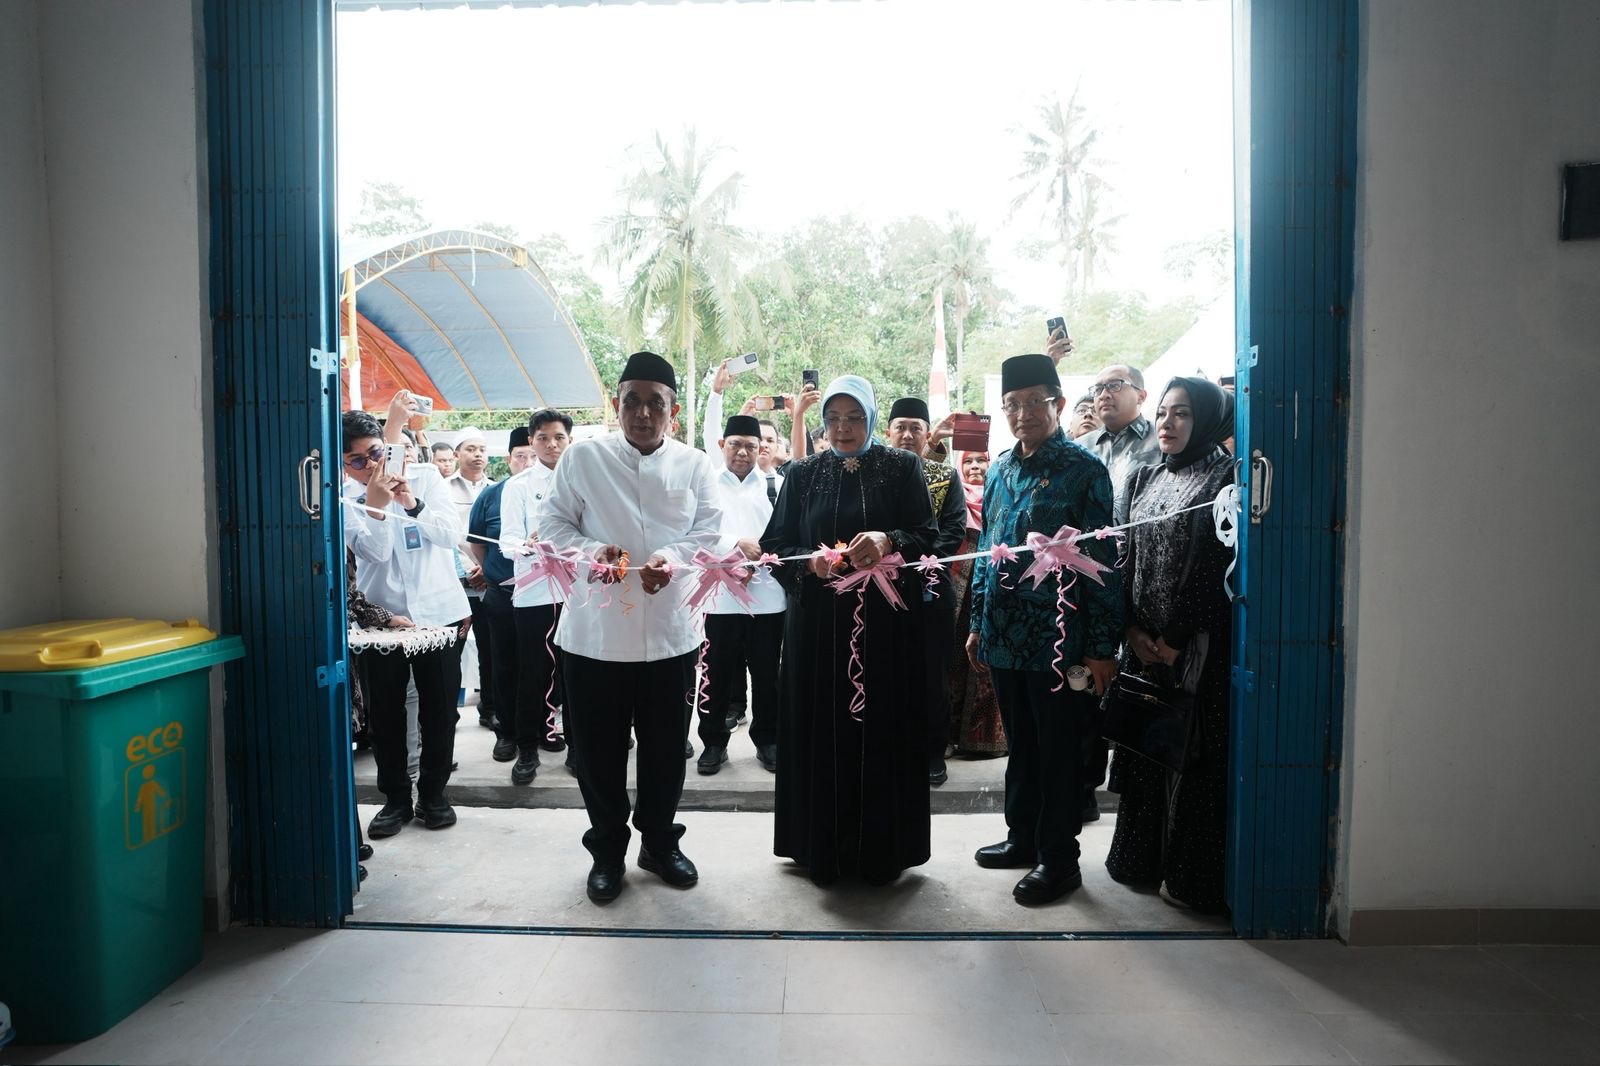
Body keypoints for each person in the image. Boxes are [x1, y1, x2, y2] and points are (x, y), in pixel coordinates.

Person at [541, 352, 723, 903]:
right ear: (617, 404)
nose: (643, 413)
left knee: (667, 748)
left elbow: (708, 533)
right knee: (597, 752)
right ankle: (607, 852)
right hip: (596, 636)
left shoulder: (694, 465)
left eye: (656, 402)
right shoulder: (583, 459)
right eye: (632, 401)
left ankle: (659, 843)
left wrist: (671, 556)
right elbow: (552, 525)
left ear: (672, 410)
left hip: (671, 633)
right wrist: (597, 552)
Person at [760, 375, 939, 886]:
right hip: (818, 628)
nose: (844, 428)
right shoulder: (801, 473)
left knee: (881, 728)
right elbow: (777, 547)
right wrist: (810, 564)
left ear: (871, 418)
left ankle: (883, 850)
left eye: (855, 417)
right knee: (820, 726)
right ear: (822, 424)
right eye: (834, 418)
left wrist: (888, 539)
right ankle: (821, 849)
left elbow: (928, 537)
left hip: (885, 628)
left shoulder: (903, 468)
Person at [966, 354, 1123, 905]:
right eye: (1013, 404)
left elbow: (1104, 561)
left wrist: (1103, 646)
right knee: (1022, 746)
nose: (1024, 412)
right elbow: (988, 552)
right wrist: (976, 622)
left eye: (1035, 401)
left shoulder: (1085, 471)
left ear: (1057, 402)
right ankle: (1022, 837)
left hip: (1060, 638)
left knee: (1058, 750)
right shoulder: (1002, 469)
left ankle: (1060, 860)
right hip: (1004, 636)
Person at [1105, 377, 1236, 912]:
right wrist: (1132, 631)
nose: (1167, 423)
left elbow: (1214, 564)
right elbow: (1124, 556)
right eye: (1162, 412)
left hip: (1193, 645)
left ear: (1206, 419)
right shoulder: (1142, 477)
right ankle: (1139, 860)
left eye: (1182, 414)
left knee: (1190, 750)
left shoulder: (1225, 479)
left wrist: (1174, 639)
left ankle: (1187, 877)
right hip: (1143, 642)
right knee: (1147, 741)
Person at [341, 410, 470, 838]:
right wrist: (376, 508)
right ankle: (395, 799)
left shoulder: (427, 476)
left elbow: (451, 536)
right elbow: (373, 555)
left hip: (438, 612)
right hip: (383, 622)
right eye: (357, 461)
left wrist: (411, 503)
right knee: (387, 714)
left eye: (376, 453)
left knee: (439, 710)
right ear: (344, 464)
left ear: (389, 447)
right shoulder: (343, 497)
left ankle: (433, 795)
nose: (370, 466)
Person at [884, 396, 969, 786]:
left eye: (915, 428)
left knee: (933, 673)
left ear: (926, 433)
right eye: (899, 426)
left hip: (931, 585)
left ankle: (933, 751)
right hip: (880, 586)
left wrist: (912, 559)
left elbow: (953, 529)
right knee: (887, 669)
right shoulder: (876, 473)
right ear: (887, 431)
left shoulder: (944, 475)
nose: (906, 434)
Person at [695, 413, 785, 776]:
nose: (743, 452)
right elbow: (697, 531)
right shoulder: (706, 485)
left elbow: (786, 534)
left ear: (760, 448)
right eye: (735, 445)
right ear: (723, 446)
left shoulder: (776, 485)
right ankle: (714, 743)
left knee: (767, 675)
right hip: (719, 598)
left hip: (767, 597)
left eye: (751, 446)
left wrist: (757, 562)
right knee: (715, 673)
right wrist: (734, 548)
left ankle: (768, 740)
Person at [498, 410, 575, 785]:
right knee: (534, 671)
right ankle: (527, 749)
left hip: (578, 592)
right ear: (531, 441)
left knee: (576, 670)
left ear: (569, 440)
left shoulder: (584, 480)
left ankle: (578, 748)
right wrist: (526, 547)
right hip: (535, 592)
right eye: (543, 438)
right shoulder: (519, 485)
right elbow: (507, 540)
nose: (552, 444)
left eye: (558, 437)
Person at [467, 426, 537, 765]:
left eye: (533, 456)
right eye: (520, 456)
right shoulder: (492, 495)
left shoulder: (553, 489)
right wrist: (493, 575)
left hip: (542, 595)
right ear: (509, 459)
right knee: (503, 664)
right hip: (502, 594)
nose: (527, 462)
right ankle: (506, 733)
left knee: (541, 666)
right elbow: (476, 542)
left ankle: (540, 731)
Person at [945, 449, 1006, 758]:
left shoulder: (1000, 495)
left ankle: (983, 740)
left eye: (981, 460)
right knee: (953, 662)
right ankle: (949, 734)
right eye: (967, 461)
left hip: (990, 591)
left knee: (985, 664)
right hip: (956, 592)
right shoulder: (954, 496)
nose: (975, 467)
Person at [447, 428, 497, 727]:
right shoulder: (442, 488)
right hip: (456, 584)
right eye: (470, 449)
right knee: (452, 651)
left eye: (482, 449)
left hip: (489, 583)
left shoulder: (497, 489)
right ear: (456, 454)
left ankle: (489, 708)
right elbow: (445, 537)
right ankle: (447, 714)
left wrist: (486, 568)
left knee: (491, 650)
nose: (477, 454)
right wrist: (469, 566)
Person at [1077, 365, 1162, 525]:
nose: (1103, 395)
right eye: (1098, 389)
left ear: (1141, 396)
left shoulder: (1163, 440)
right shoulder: (1079, 448)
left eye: (1114, 385)